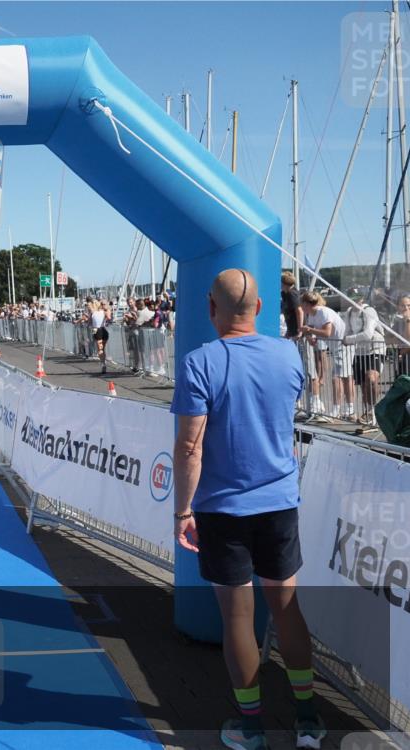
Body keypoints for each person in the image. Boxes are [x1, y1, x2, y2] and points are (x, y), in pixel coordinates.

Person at [171, 269, 324, 750]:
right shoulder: (286, 355)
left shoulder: (200, 362)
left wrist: (182, 511)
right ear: (260, 309)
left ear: (209, 308)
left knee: (238, 617)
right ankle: (307, 720)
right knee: (286, 608)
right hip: (279, 501)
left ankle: (252, 726)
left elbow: (189, 448)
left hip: (223, 508)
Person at [299, 291, 351, 419]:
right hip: (336, 347)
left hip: (343, 345)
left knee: (337, 378)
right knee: (344, 377)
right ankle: (347, 408)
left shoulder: (323, 312)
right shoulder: (311, 314)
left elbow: (327, 333)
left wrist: (310, 331)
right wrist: (311, 337)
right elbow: (310, 330)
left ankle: (337, 410)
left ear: (307, 304)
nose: (301, 307)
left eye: (302, 304)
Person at [343, 292, 386, 426]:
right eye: (352, 299)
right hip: (360, 351)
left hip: (375, 348)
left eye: (358, 298)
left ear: (362, 298)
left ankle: (374, 410)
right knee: (363, 385)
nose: (355, 301)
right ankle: (369, 413)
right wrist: (348, 338)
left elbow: (368, 334)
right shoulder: (349, 312)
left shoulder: (369, 311)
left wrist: (348, 340)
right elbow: (347, 331)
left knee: (371, 379)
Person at [280, 271, 304, 340]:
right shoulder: (284, 294)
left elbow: (299, 311)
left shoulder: (292, 294)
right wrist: (288, 331)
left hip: (296, 329)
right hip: (291, 329)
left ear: (284, 283)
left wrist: (300, 330)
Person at [88, 299, 110, 374]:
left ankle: (103, 363)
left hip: (97, 330)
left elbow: (90, 323)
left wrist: (92, 333)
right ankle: (103, 362)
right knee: (102, 349)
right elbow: (108, 318)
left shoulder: (93, 313)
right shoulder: (103, 312)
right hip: (103, 330)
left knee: (100, 349)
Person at [393, 294, 410, 377]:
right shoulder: (398, 321)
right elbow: (387, 337)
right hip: (403, 357)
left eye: (408, 305)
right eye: (403, 306)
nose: (406, 308)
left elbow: (408, 338)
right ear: (398, 307)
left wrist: (408, 321)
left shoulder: (407, 320)